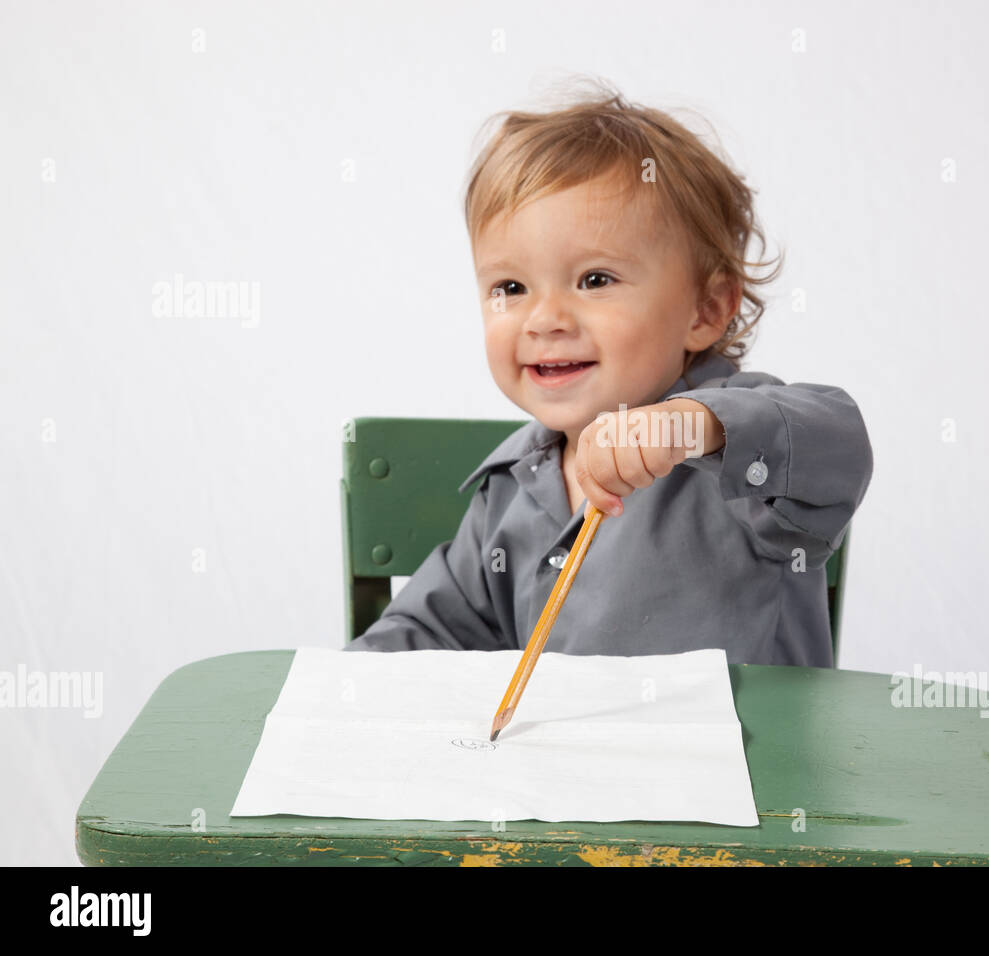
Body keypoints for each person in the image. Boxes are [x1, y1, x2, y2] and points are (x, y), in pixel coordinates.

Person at [346, 81, 872, 666]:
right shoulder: (508, 492)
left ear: (706, 310)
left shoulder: (737, 453)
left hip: (747, 758)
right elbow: (430, 630)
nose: (544, 319)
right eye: (511, 287)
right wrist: (335, 691)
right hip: (569, 761)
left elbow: (835, 440)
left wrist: (693, 426)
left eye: (596, 279)